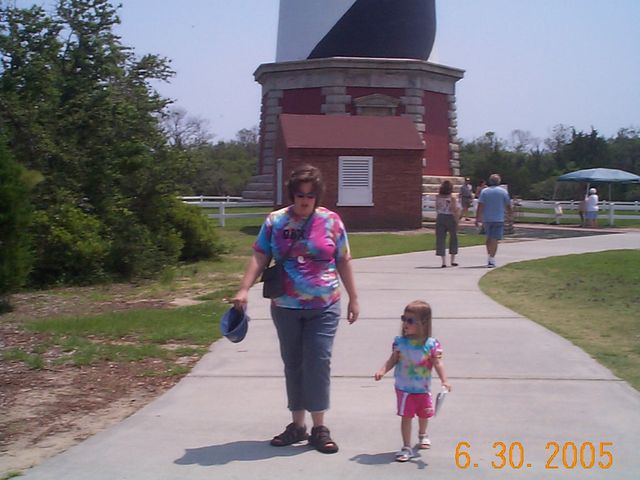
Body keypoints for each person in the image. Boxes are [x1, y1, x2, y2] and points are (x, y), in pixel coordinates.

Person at [232, 164, 359, 454]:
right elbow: (260, 255)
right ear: (292, 195)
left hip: (324, 304)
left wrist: (354, 297)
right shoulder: (276, 221)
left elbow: (343, 259)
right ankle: (297, 425)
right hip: (285, 305)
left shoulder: (331, 221)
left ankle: (319, 427)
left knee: (318, 361)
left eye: (310, 195)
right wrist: (244, 289)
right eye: (300, 195)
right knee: (293, 362)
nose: (305, 200)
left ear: (318, 196)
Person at [374, 300, 451, 462]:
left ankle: (423, 434)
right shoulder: (400, 343)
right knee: (406, 416)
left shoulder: (431, 344)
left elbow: (438, 363)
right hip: (404, 389)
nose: (405, 324)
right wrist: (382, 370)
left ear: (423, 323)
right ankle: (406, 446)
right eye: (404, 319)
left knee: (424, 414)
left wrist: (445, 380)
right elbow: (393, 360)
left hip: (423, 388)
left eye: (410, 320)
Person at [475, 173, 512, 268]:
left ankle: (489, 255)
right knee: (494, 239)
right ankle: (492, 258)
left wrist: (478, 218)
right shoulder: (503, 192)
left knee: (489, 238)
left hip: (487, 218)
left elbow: (480, 205)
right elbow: (508, 205)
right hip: (498, 218)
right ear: (499, 181)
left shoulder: (484, 192)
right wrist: (509, 216)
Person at [435, 180, 460, 267]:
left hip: (440, 217)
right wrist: (457, 220)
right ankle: (452, 260)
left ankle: (443, 262)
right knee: (453, 238)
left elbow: (436, 207)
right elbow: (454, 209)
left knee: (440, 238)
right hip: (450, 217)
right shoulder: (452, 197)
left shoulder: (438, 197)